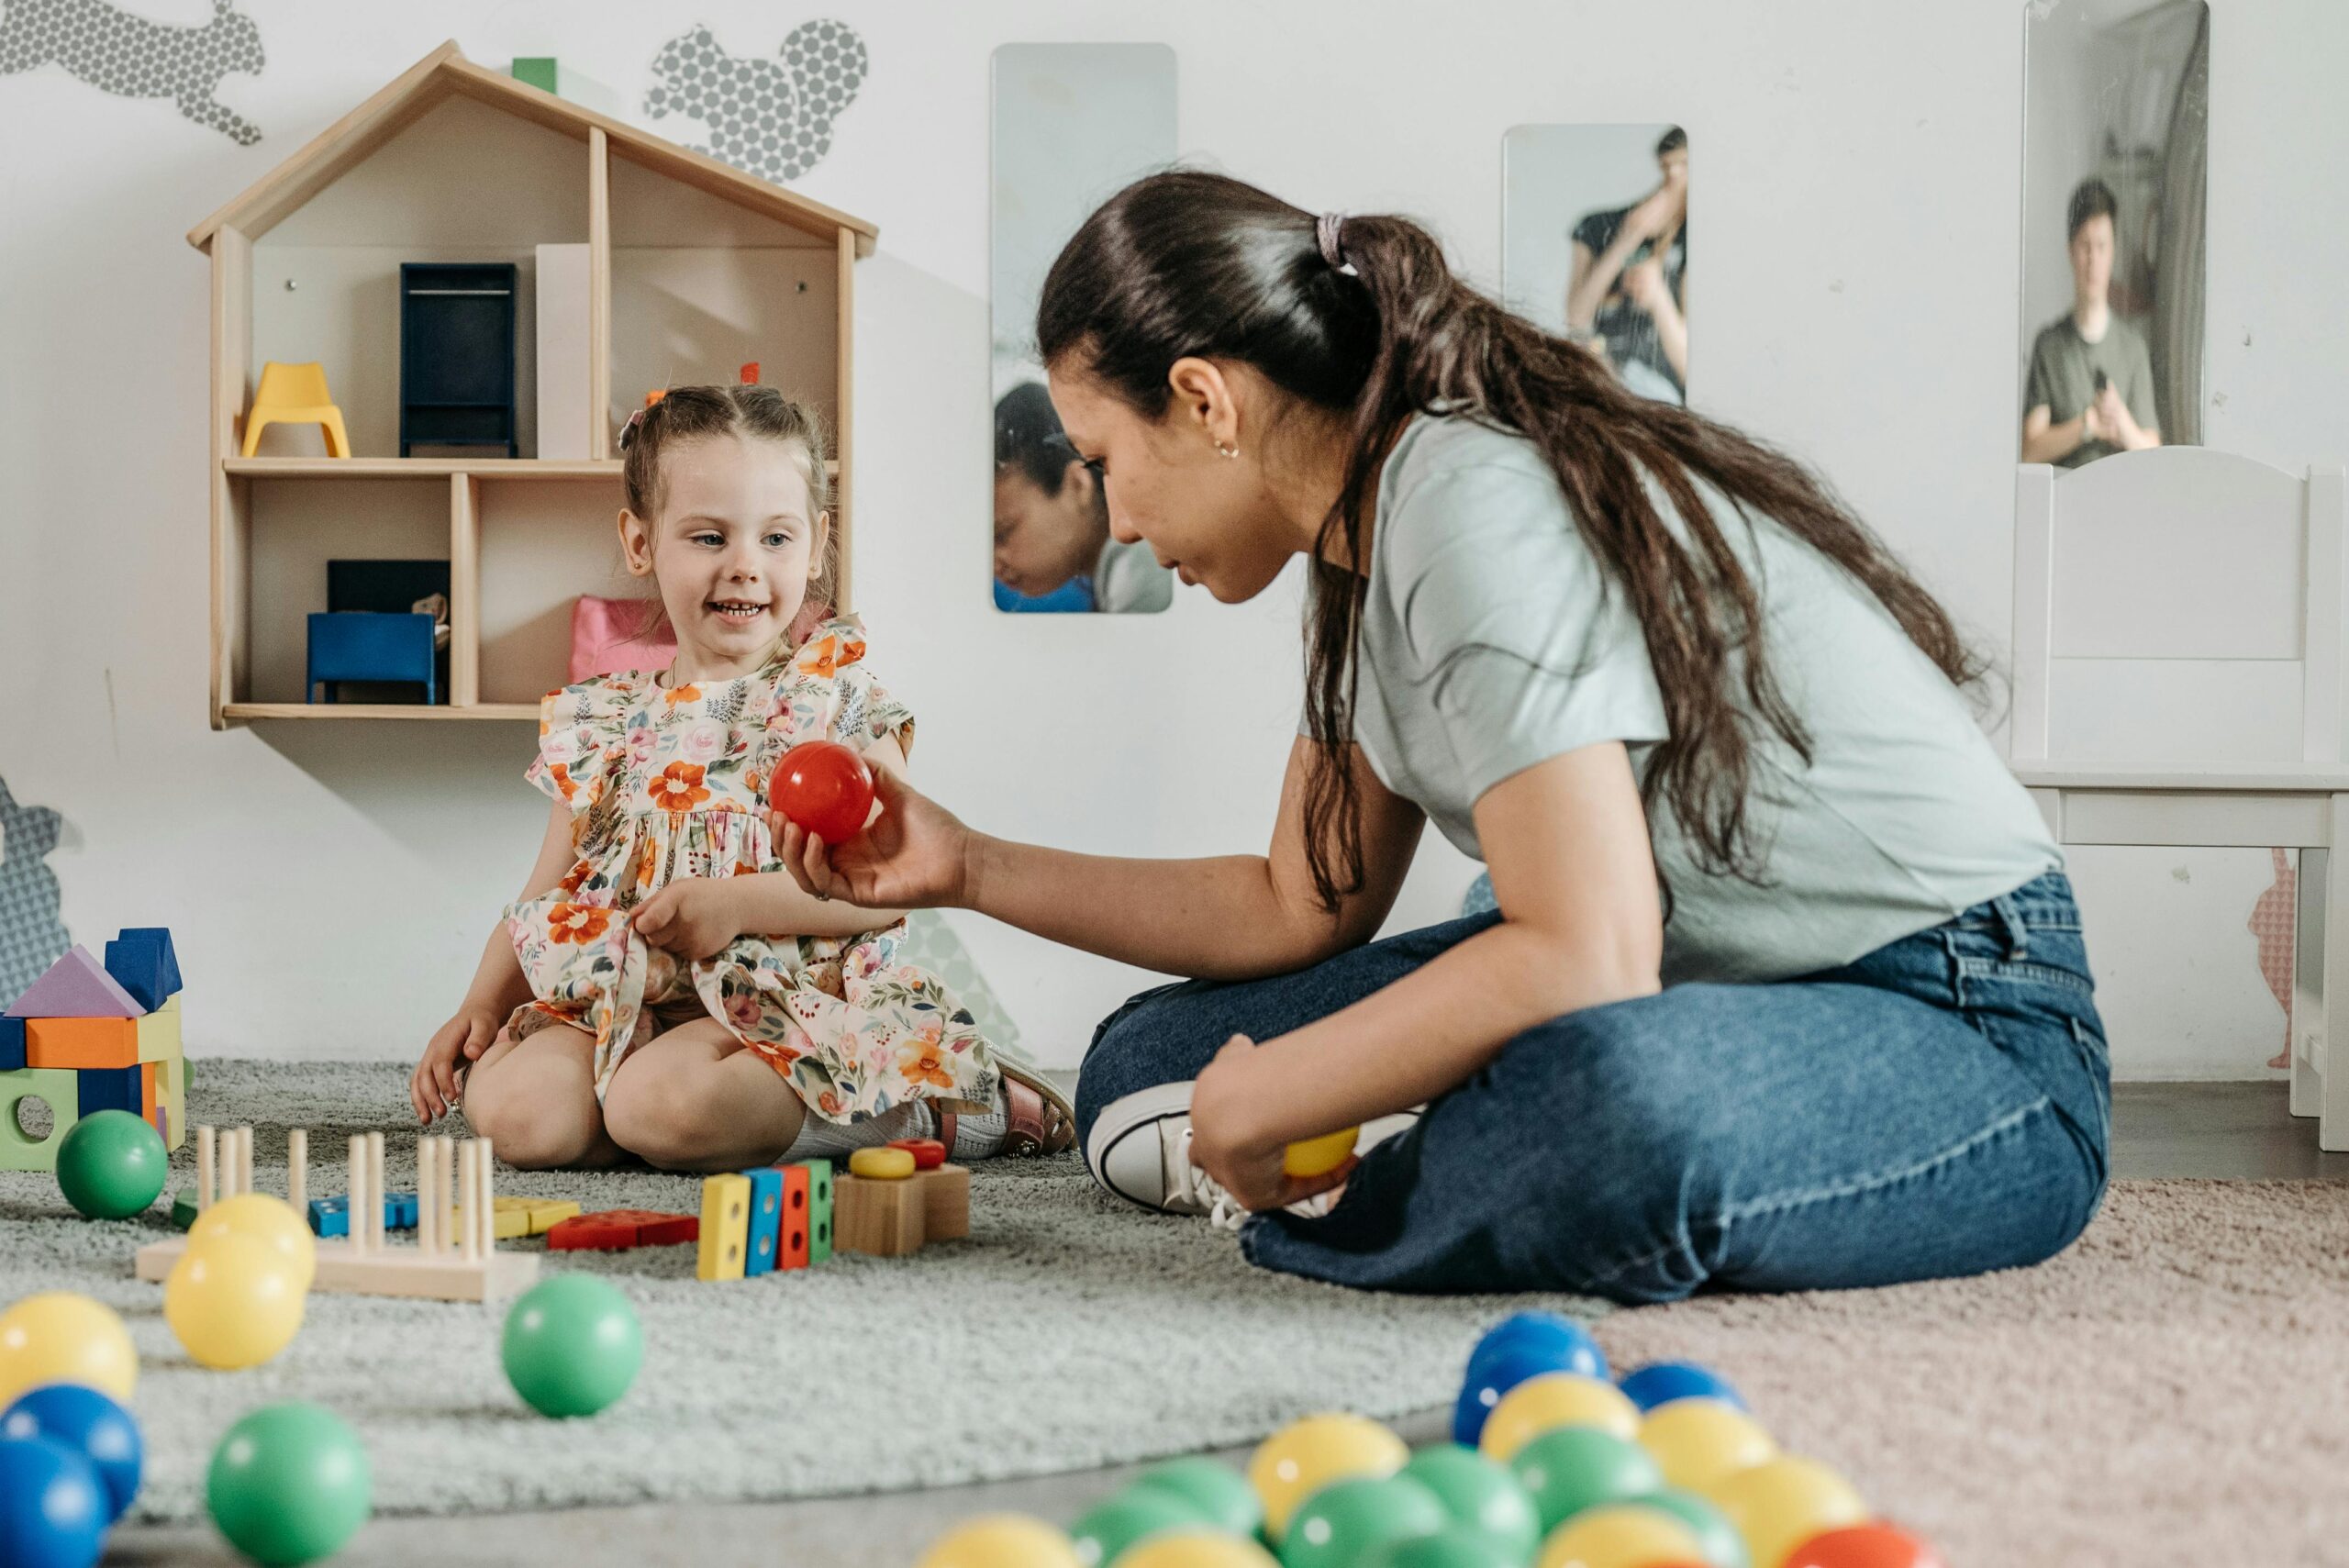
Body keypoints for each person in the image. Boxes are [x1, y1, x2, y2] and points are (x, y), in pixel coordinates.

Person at [777, 172, 2107, 1304]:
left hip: (1962, 1013)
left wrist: (1283, 1090)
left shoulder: (1466, 504)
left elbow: (1586, 950)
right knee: (1142, 1062)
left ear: (1205, 398)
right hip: (1700, 975)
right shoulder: (1360, 544)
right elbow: (1296, 902)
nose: (1115, 521)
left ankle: (1415, 1142)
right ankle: (1423, 1125)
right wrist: (965, 866)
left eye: (1107, 457)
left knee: (1603, 1108)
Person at [408, 384, 1073, 1170]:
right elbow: (546, 899)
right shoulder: (602, 720)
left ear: (818, 543)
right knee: (520, 1117)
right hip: (625, 1001)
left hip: (784, 1003)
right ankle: (650, 1117)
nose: (746, 566)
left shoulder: (837, 701)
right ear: (640, 541)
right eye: (709, 536)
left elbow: (892, 889)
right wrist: (479, 1005)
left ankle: (921, 1104)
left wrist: (733, 904)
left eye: (777, 538)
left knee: (663, 1105)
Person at [994, 381, 1173, 613]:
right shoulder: (1117, 575)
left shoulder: (1141, 572)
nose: (995, 564)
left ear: (1078, 485)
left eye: (1003, 533)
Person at [2022, 177, 2161, 467]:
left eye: (2102, 246)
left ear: (2112, 252)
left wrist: (2120, 420)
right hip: (2063, 504)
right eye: (2085, 246)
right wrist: (2088, 424)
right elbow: (2030, 449)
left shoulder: (2133, 348)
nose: (2093, 259)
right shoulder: (2049, 346)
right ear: (2071, 251)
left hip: (2121, 503)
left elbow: (2154, 455)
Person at [1564, 127, 1688, 403]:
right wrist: (1627, 240)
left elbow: (1688, 366)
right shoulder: (1597, 226)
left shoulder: (1698, 238)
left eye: (1685, 165)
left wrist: (1657, 297)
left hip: (1662, 396)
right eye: (1669, 165)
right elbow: (1576, 318)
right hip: (1602, 377)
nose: (1676, 176)